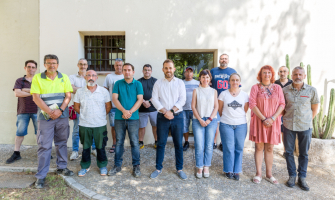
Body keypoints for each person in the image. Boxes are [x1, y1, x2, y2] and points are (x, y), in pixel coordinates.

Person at [31, 54, 74, 189]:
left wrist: (60, 111)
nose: (52, 65)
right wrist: (50, 113)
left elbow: (68, 96)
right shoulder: (37, 78)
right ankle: (41, 176)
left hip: (62, 116)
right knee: (44, 146)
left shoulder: (64, 77)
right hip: (45, 118)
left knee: (62, 142)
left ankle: (62, 167)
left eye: (54, 63)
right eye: (49, 63)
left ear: (58, 64)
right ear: (44, 64)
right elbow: (36, 98)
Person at [282, 66, 319, 191]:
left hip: (305, 126)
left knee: (303, 153)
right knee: (288, 152)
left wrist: (308, 120)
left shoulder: (311, 90)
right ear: (291, 76)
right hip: (288, 125)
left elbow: (314, 108)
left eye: (300, 74)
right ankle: (292, 176)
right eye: (295, 74)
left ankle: (302, 177)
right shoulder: (285, 90)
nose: (298, 76)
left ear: (304, 76)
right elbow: (282, 108)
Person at [150, 59, 187, 180]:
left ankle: (179, 168)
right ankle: (158, 168)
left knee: (178, 144)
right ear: (163, 69)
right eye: (166, 68)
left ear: (174, 69)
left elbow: (182, 100)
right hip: (162, 117)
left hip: (177, 117)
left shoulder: (180, 83)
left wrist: (171, 111)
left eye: (170, 68)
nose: (168, 70)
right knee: (161, 143)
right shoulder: (158, 83)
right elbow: (154, 99)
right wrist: (165, 111)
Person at [249, 65, 285, 185]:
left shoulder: (278, 88)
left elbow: (282, 104)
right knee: (259, 148)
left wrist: (273, 118)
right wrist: (264, 118)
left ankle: (269, 174)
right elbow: (252, 104)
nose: (267, 75)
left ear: (272, 75)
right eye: (264, 73)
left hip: (273, 123)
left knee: (269, 148)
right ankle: (258, 174)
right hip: (260, 122)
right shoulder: (255, 88)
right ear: (260, 75)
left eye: (269, 73)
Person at [74, 70, 112, 176]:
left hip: (100, 124)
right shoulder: (80, 91)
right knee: (86, 147)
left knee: (100, 146)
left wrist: (100, 116)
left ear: (97, 78)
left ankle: (102, 165)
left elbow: (108, 106)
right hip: (84, 124)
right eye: (89, 75)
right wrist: (84, 115)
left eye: (93, 75)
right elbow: (76, 106)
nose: (91, 77)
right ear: (85, 77)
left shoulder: (103, 92)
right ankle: (85, 166)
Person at [108, 63, 143, 178]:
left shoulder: (138, 84)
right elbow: (114, 99)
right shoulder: (118, 83)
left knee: (134, 142)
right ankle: (117, 166)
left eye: (129, 70)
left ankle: (136, 166)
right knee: (119, 142)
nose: (127, 72)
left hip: (133, 118)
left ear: (133, 72)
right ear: (122, 72)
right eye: (125, 70)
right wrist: (123, 111)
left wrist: (130, 112)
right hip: (119, 117)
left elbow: (140, 100)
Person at [6, 60, 38, 164]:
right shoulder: (19, 80)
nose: (31, 69)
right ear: (25, 68)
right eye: (29, 67)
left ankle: (44, 152)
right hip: (23, 110)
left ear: (36, 69)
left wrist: (25, 90)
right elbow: (17, 93)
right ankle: (16, 153)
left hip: (37, 110)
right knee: (20, 132)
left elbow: (41, 93)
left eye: (33, 67)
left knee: (40, 133)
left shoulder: (39, 80)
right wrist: (33, 92)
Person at [218, 73, 249, 181]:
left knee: (239, 148)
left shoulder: (245, 95)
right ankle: (228, 170)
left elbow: (245, 110)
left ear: (239, 82)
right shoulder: (223, 94)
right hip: (226, 124)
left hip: (241, 125)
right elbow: (220, 109)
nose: (235, 82)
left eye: (237, 80)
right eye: (232, 80)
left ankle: (237, 170)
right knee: (228, 148)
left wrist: (236, 118)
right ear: (229, 82)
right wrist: (228, 118)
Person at [191, 69, 218, 178]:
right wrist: (200, 119)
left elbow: (216, 107)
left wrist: (209, 119)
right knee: (199, 145)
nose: (205, 79)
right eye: (203, 77)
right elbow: (193, 106)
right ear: (200, 79)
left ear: (210, 78)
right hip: (198, 119)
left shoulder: (214, 91)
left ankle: (206, 166)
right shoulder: (196, 91)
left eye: (207, 77)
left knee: (209, 145)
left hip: (211, 120)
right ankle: (199, 166)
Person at [69, 58, 96, 161]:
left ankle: (93, 148)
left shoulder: (90, 76)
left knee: (92, 129)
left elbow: (92, 90)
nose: (83, 66)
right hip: (77, 108)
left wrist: (78, 89)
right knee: (76, 130)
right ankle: (75, 151)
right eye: (81, 64)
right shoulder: (72, 77)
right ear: (78, 65)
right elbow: (71, 89)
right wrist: (85, 89)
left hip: (90, 108)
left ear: (87, 65)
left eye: (84, 64)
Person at [210, 54, 237, 150]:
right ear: (219, 60)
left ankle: (223, 142)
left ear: (228, 60)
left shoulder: (232, 71)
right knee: (216, 122)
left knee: (226, 122)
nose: (223, 60)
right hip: (216, 100)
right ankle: (214, 142)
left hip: (228, 100)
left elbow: (236, 86)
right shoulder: (213, 71)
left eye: (225, 59)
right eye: (222, 59)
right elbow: (209, 84)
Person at [103, 58, 124, 153]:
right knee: (114, 127)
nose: (118, 67)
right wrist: (106, 104)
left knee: (124, 126)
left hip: (125, 107)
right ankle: (115, 144)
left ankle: (121, 145)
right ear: (114, 66)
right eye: (117, 65)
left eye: (120, 65)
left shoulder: (126, 75)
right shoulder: (109, 77)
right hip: (113, 107)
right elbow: (105, 91)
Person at [138, 64, 158, 149]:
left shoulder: (156, 81)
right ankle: (140, 142)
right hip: (142, 109)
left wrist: (149, 101)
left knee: (155, 126)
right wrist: (143, 101)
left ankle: (157, 142)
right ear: (143, 71)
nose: (147, 71)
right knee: (141, 126)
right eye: (145, 70)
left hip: (154, 109)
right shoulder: (138, 82)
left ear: (151, 71)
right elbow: (136, 93)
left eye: (148, 70)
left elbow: (158, 94)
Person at [274, 65, 293, 157]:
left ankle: (287, 151)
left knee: (287, 130)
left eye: (284, 71)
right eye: (281, 71)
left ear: (288, 73)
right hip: (277, 110)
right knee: (280, 130)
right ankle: (269, 147)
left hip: (289, 110)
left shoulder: (292, 83)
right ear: (278, 73)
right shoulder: (275, 83)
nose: (282, 73)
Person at [182, 67, 200, 151]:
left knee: (196, 126)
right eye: (187, 72)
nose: (189, 73)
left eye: (191, 72)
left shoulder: (197, 83)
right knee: (185, 127)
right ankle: (186, 142)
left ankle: (197, 143)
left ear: (193, 74)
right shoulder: (181, 83)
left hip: (195, 109)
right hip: (183, 109)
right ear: (184, 73)